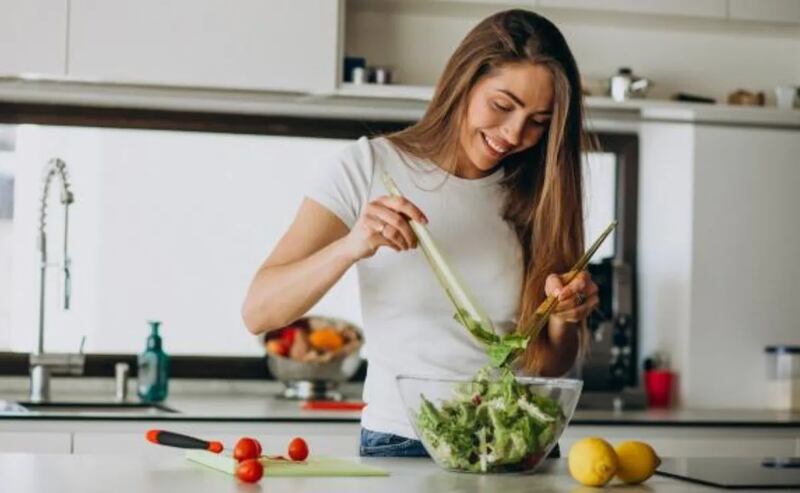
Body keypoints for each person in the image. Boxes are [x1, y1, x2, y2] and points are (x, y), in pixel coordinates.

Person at [242, 9, 599, 458]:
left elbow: (545, 364)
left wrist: (566, 318)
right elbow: (259, 311)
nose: (513, 134)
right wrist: (351, 246)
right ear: (464, 84)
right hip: (405, 440)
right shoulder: (369, 167)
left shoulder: (540, 193)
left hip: (519, 442)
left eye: (538, 121)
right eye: (502, 106)